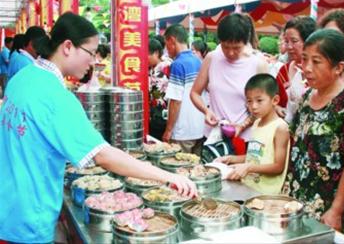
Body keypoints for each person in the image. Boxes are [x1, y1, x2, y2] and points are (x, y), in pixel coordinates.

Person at [0, 12, 197, 243]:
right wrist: (167, 176)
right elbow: (103, 156)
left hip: (7, 206)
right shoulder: (56, 97)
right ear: (67, 46)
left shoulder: (23, 77)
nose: (94, 61)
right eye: (91, 53)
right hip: (29, 218)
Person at [282, 29, 344, 237]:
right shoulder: (306, 97)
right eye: (304, 59)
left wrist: (336, 210)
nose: (307, 68)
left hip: (326, 205)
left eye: (316, 61)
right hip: (296, 199)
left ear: (338, 67)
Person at [191, 13, 268, 147]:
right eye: (226, 47)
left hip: (244, 140)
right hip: (213, 137)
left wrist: (242, 126)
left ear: (245, 42)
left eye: (237, 48)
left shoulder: (258, 64)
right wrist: (206, 111)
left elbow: (264, 105)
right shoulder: (212, 58)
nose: (231, 53)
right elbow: (194, 93)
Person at [216, 73, 290, 195]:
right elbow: (255, 157)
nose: (253, 106)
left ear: (275, 100)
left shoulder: (280, 128)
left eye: (259, 100)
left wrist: (248, 168)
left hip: (267, 194)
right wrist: (231, 159)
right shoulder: (256, 124)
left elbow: (278, 167)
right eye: (249, 101)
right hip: (249, 187)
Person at [162, 24, 205, 155]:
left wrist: (168, 130)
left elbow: (176, 101)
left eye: (166, 44)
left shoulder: (178, 64)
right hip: (199, 128)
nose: (166, 49)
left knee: (180, 169)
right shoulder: (198, 61)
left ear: (172, 40)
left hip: (182, 131)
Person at [276, 16, 317, 122]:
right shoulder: (283, 71)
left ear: (308, 41)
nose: (289, 47)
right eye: (286, 41)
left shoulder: (320, 73)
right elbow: (272, 100)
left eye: (294, 41)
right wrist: (276, 108)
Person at [149, 38, 171, 140]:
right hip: (153, 113)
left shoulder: (166, 66)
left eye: (148, 54)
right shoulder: (151, 68)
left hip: (163, 113)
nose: (145, 58)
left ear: (156, 53)